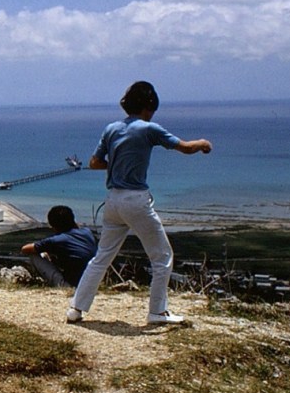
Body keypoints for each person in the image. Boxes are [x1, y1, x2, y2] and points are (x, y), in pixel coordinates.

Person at [66, 81, 213, 326]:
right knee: (162, 256)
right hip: (136, 201)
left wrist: (116, 164)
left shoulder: (111, 128)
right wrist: (203, 143)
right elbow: (185, 148)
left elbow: (94, 163)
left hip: (113, 201)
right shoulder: (148, 128)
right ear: (149, 106)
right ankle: (157, 312)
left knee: (101, 257)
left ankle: (76, 308)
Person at [20, 205, 98, 288]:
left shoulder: (56, 240)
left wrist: (45, 247)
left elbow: (25, 249)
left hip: (70, 286)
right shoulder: (87, 232)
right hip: (94, 283)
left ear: (53, 225)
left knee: (33, 254)